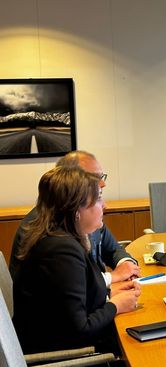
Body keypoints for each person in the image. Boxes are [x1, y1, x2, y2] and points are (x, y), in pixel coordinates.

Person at [12, 166, 140, 354]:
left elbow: (64, 305)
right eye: (98, 199)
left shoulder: (58, 237)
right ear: (76, 210)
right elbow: (79, 330)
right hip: (67, 359)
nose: (105, 205)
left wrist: (107, 294)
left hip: (58, 346)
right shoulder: (61, 251)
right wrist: (116, 306)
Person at [9, 150, 140, 287]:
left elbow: (112, 249)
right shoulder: (45, 228)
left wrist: (126, 265)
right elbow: (69, 282)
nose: (102, 183)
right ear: (69, 181)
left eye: (101, 176)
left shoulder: (87, 215)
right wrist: (113, 278)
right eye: (94, 178)